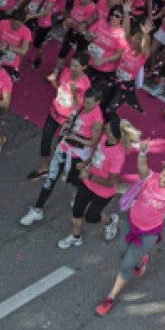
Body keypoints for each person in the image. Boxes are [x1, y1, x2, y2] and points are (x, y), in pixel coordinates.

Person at [95, 145, 165, 317]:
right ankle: (141, 259)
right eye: (163, 175)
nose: (163, 180)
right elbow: (141, 168)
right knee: (122, 254)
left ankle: (110, 298)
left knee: (126, 265)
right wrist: (142, 152)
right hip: (131, 224)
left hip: (149, 233)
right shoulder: (151, 178)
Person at [20, 88, 104, 226]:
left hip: (78, 154)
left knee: (72, 180)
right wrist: (67, 124)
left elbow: (93, 142)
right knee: (51, 178)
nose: (86, 104)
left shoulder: (97, 121)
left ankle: (78, 193)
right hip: (64, 147)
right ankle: (37, 210)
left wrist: (75, 137)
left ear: (97, 102)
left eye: (89, 103)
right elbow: (72, 117)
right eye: (85, 101)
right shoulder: (82, 105)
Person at [56, 117, 139, 249]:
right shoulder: (104, 138)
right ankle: (75, 237)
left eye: (108, 126)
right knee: (77, 209)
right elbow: (96, 152)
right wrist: (86, 163)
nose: (105, 125)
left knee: (91, 217)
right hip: (88, 183)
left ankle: (110, 221)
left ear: (113, 135)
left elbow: (111, 182)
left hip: (103, 192)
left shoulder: (118, 155)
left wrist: (90, 175)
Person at [29, 52, 90, 181]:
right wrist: (53, 82)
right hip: (54, 111)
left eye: (76, 65)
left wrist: (74, 92)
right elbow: (60, 91)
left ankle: (58, 169)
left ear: (84, 67)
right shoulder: (66, 72)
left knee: (61, 146)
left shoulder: (85, 84)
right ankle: (45, 167)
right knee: (45, 138)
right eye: (72, 64)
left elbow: (78, 106)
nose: (72, 67)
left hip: (67, 120)